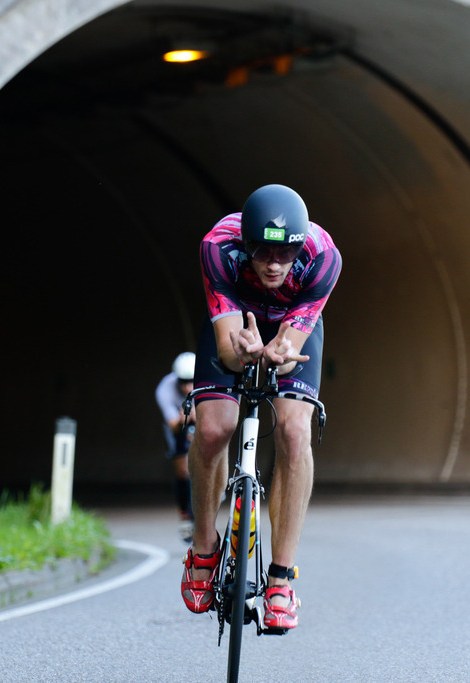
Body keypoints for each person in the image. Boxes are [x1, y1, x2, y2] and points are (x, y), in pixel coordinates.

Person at [180, 184, 342, 632]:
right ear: (246, 244)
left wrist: (279, 353)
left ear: (299, 248)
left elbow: (291, 351)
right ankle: (204, 545)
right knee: (213, 429)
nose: (274, 263)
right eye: (264, 252)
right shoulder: (219, 248)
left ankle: (281, 579)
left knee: (294, 431)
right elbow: (230, 354)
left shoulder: (322, 257)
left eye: (285, 254)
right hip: (236, 321)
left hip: (291, 325)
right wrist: (244, 352)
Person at [155, 352, 196, 541]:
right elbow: (173, 424)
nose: (188, 386)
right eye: (183, 382)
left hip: (200, 421)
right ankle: (185, 513)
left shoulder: (206, 384)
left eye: (191, 381)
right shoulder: (165, 389)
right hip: (179, 427)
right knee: (182, 468)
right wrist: (186, 419)